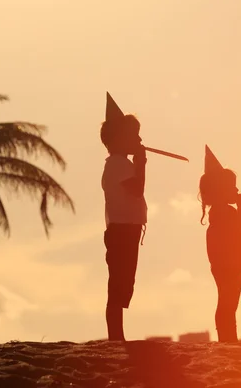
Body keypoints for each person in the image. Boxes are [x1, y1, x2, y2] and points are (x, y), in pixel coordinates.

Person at [100, 92, 147, 341]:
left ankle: (116, 335)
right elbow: (137, 189)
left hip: (127, 229)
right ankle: (115, 336)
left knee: (123, 282)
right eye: (134, 135)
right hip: (121, 231)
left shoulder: (121, 164)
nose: (139, 139)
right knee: (118, 284)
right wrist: (142, 164)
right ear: (120, 139)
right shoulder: (118, 165)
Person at [199, 145, 241, 342]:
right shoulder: (226, 213)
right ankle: (228, 339)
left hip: (223, 264)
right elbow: (239, 232)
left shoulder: (219, 212)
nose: (237, 190)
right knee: (228, 304)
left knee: (227, 302)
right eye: (232, 186)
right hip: (229, 264)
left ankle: (228, 337)